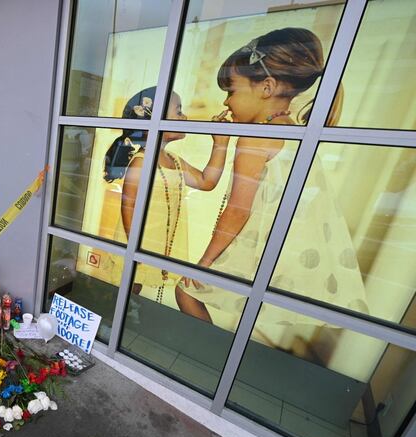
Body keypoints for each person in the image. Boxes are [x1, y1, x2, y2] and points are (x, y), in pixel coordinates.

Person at [176, 28, 367, 325]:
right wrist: (221, 144)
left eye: (231, 91)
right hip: (287, 250)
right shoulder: (293, 130)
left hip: (258, 246)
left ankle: (205, 357)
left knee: (186, 290)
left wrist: (204, 263)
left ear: (266, 87)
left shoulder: (255, 139)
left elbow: (238, 209)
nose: (226, 103)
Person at [104, 87, 228, 298]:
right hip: (139, 245)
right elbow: (129, 205)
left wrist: (220, 144)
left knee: (134, 290)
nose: (185, 116)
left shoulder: (174, 161)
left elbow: (207, 182)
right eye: (178, 111)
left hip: (155, 244)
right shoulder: (141, 164)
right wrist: (135, 249)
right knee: (128, 288)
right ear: (156, 119)